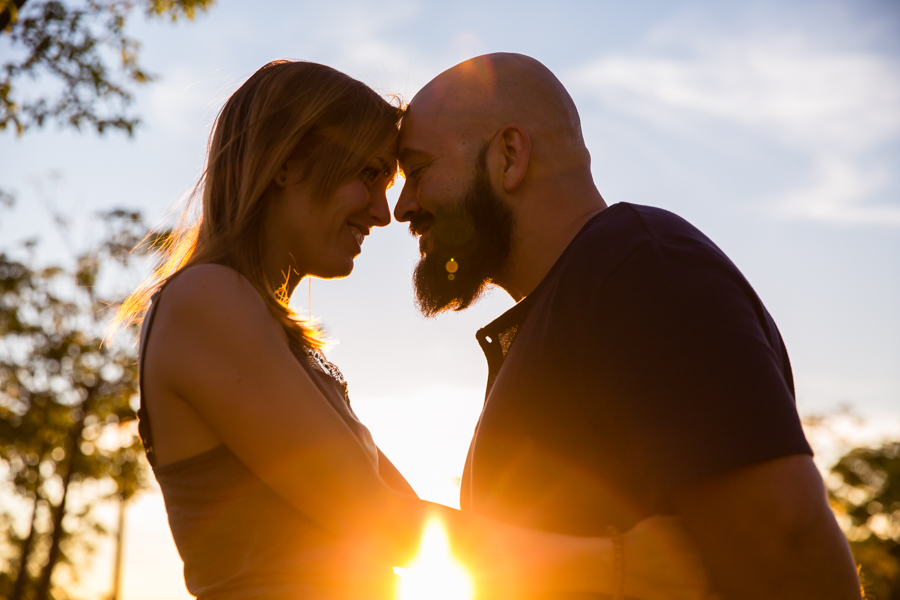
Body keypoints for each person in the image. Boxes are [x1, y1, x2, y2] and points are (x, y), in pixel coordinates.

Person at [117, 59, 711, 600]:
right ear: (288, 163)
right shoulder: (207, 299)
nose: (383, 212)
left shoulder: (261, 329)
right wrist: (619, 565)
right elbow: (371, 514)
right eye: (369, 174)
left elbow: (404, 510)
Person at [393, 53, 863, 600]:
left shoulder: (639, 266)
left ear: (510, 154)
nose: (403, 207)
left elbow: (789, 544)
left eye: (419, 169)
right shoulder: (584, 295)